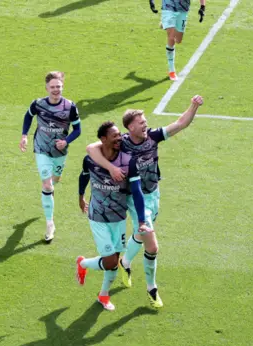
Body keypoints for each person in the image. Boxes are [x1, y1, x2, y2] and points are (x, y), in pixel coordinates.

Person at [86, 95, 203, 307]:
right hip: (134, 198)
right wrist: (111, 167)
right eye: (141, 123)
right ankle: (152, 288)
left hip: (154, 193)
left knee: (140, 234)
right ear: (130, 127)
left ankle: (126, 262)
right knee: (152, 245)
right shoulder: (121, 142)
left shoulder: (153, 137)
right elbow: (91, 149)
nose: (145, 125)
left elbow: (180, 123)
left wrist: (193, 106)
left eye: (145, 121)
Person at [76, 121, 151, 311]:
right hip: (98, 216)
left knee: (114, 264)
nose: (119, 138)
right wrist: (81, 196)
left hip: (118, 216)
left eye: (120, 134)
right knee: (110, 262)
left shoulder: (128, 161)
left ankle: (103, 295)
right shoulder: (90, 159)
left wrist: (141, 221)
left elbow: (136, 191)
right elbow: (84, 176)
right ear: (103, 139)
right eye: (114, 135)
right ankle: (83, 263)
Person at [20, 71, 81, 243]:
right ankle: (50, 223)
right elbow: (28, 116)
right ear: (47, 88)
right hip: (41, 149)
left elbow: (78, 130)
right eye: (52, 87)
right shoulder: (38, 104)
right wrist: (24, 135)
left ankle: (50, 190)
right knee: (47, 185)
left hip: (59, 153)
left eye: (58, 87)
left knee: (55, 180)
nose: (56, 90)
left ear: (62, 87)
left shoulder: (70, 107)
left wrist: (66, 141)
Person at [158, 0, 206, 81]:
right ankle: (172, 71)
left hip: (183, 9)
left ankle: (165, 23)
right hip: (168, 6)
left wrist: (202, 7)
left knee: (178, 40)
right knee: (171, 38)